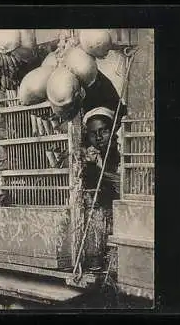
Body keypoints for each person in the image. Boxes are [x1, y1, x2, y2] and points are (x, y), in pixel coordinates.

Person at [82, 106, 121, 270]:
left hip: (117, 218)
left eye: (103, 131)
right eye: (93, 133)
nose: (98, 137)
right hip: (96, 218)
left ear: (111, 131)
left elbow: (121, 184)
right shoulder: (87, 154)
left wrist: (99, 165)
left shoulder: (120, 152)